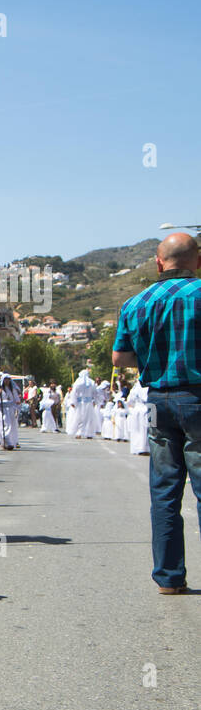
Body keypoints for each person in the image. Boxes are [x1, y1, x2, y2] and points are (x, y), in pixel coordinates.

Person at [112, 232, 201, 594]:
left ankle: (169, 577)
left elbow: (120, 358)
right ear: (197, 261)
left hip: (158, 400)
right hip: (197, 396)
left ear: (158, 262)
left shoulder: (135, 304)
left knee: (164, 491)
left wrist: (151, 356)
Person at [125, 377, 150, 455]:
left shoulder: (136, 386)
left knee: (136, 429)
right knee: (145, 429)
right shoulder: (149, 384)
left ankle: (136, 448)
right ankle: (144, 448)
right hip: (147, 408)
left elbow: (130, 400)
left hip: (136, 409)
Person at [0, 375, 20, 450]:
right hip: (2, 409)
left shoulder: (12, 389)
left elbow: (16, 400)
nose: (7, 381)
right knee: (4, 426)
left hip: (10, 409)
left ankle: (9, 442)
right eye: (5, 380)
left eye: (8, 380)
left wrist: (17, 409)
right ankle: (5, 442)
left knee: (11, 426)